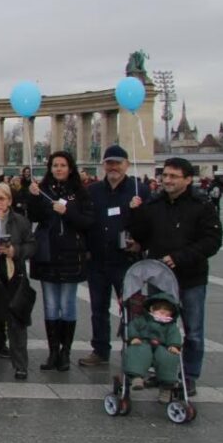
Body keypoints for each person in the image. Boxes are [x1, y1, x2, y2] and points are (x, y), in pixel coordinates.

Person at [128, 157, 222, 396]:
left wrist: (180, 257)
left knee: (194, 330)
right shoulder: (154, 203)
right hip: (160, 277)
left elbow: (212, 241)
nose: (166, 180)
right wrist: (135, 213)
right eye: (165, 175)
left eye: (173, 176)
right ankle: (163, 372)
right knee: (156, 326)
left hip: (191, 277)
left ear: (188, 179)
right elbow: (142, 235)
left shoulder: (202, 205)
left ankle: (189, 375)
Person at [79, 145, 149, 367]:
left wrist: (140, 243)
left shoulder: (140, 190)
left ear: (127, 164)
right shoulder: (93, 190)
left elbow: (152, 222)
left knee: (132, 308)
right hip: (98, 259)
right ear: (104, 165)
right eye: (109, 162)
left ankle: (135, 352)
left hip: (126, 260)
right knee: (98, 309)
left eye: (118, 162)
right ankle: (100, 350)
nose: (113, 167)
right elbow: (85, 221)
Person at [26, 151, 93, 372]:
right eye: (55, 165)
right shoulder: (43, 189)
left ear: (70, 168)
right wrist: (33, 196)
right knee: (50, 306)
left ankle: (66, 351)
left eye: (63, 165)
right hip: (47, 254)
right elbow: (34, 216)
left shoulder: (81, 193)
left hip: (71, 254)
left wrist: (67, 213)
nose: (58, 169)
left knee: (68, 304)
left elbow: (87, 222)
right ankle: (53, 351)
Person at [0, 183, 36, 379]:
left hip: (14, 278)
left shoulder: (20, 222)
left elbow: (31, 246)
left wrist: (15, 251)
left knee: (16, 324)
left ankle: (20, 364)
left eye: (2, 198)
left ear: (9, 201)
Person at [123, 294, 183, 404]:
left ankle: (166, 387)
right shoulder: (142, 320)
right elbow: (133, 327)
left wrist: (173, 345)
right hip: (143, 342)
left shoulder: (170, 325)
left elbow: (174, 335)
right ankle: (137, 377)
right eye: (161, 311)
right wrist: (134, 337)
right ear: (152, 309)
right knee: (139, 351)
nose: (164, 314)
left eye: (167, 312)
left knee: (168, 357)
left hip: (163, 346)